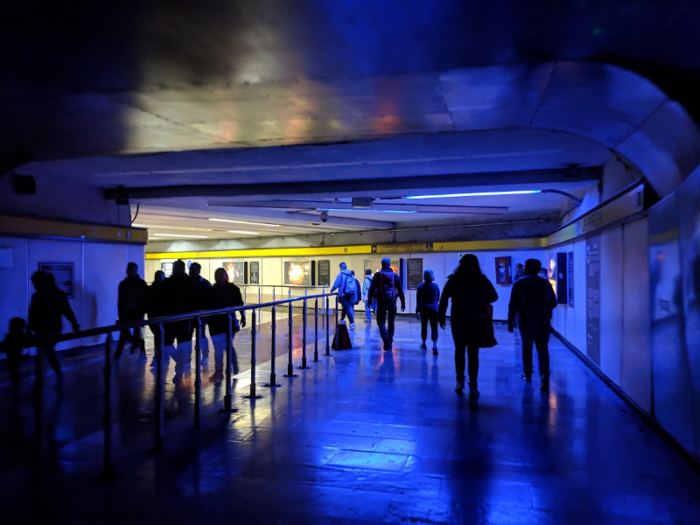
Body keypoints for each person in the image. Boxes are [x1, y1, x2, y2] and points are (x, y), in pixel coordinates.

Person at [438, 254, 498, 398]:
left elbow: (444, 298)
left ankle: (459, 381)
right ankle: (473, 385)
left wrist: (441, 317)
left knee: (459, 350)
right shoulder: (481, 280)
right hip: (475, 319)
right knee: (473, 353)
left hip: (458, 319)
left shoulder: (454, 279)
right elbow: (494, 296)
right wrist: (483, 298)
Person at [507, 258, 558, 392]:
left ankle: (528, 373)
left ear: (527, 268)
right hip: (543, 321)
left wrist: (510, 321)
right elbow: (553, 303)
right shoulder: (545, 284)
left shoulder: (519, 283)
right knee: (543, 349)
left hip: (525, 321)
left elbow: (513, 304)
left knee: (526, 348)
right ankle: (544, 376)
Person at [28, 270, 80, 384]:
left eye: (36, 283)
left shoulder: (38, 296)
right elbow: (67, 311)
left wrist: (29, 329)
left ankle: (43, 379)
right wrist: (75, 324)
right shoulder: (57, 295)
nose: (35, 286)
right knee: (47, 351)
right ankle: (55, 376)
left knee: (45, 352)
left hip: (46, 329)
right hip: (51, 328)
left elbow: (32, 313)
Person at [206, 268, 246, 383]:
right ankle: (226, 367)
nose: (219, 277)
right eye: (217, 274)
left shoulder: (229, 289)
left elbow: (239, 304)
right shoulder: (213, 290)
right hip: (218, 323)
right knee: (222, 346)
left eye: (220, 275)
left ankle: (222, 370)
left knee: (222, 346)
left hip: (226, 323)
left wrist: (243, 316)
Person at [160, 260, 197, 384]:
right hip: (179, 318)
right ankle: (181, 363)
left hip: (178, 318)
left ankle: (179, 369)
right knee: (173, 343)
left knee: (173, 343)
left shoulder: (172, 282)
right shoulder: (187, 283)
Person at [368, 258, 405, 351]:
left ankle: (386, 340)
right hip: (392, 301)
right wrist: (403, 303)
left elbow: (371, 289)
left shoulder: (377, 275)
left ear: (382, 264)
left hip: (381, 301)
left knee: (380, 322)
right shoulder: (395, 276)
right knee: (391, 322)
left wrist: (369, 301)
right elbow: (400, 290)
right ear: (389, 264)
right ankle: (390, 341)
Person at [115, 262, 148, 360]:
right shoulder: (129, 284)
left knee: (132, 333)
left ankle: (121, 353)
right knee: (132, 333)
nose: (129, 272)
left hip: (134, 313)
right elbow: (120, 300)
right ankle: (137, 349)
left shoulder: (125, 284)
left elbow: (121, 300)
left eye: (131, 270)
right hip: (129, 313)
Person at [189, 262, 212, 363]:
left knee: (201, 334)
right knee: (189, 336)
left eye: (194, 270)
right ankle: (188, 357)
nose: (191, 272)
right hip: (190, 314)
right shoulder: (188, 283)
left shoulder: (204, 284)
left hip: (201, 314)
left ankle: (205, 354)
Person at [416, 269, 440, 355]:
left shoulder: (420, 286)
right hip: (434, 309)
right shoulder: (435, 286)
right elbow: (438, 298)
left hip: (424, 310)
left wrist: (417, 311)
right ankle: (434, 345)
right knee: (434, 327)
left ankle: (424, 343)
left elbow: (418, 300)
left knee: (424, 327)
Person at [1, 317, 29, 387]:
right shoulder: (21, 335)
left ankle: (15, 385)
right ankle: (15, 385)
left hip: (12, 357)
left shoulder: (9, 336)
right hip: (15, 356)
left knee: (13, 370)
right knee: (14, 370)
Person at [146, 270, 167, 366]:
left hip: (153, 315)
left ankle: (158, 354)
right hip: (162, 315)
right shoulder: (166, 289)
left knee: (157, 336)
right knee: (161, 336)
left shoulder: (151, 289)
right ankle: (161, 354)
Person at [330, 262, 357, 330]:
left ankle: (352, 323)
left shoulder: (341, 274)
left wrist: (331, 290)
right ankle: (341, 319)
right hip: (351, 293)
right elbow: (355, 286)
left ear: (340, 267)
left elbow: (335, 285)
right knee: (346, 307)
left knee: (346, 308)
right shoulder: (351, 274)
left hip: (344, 294)